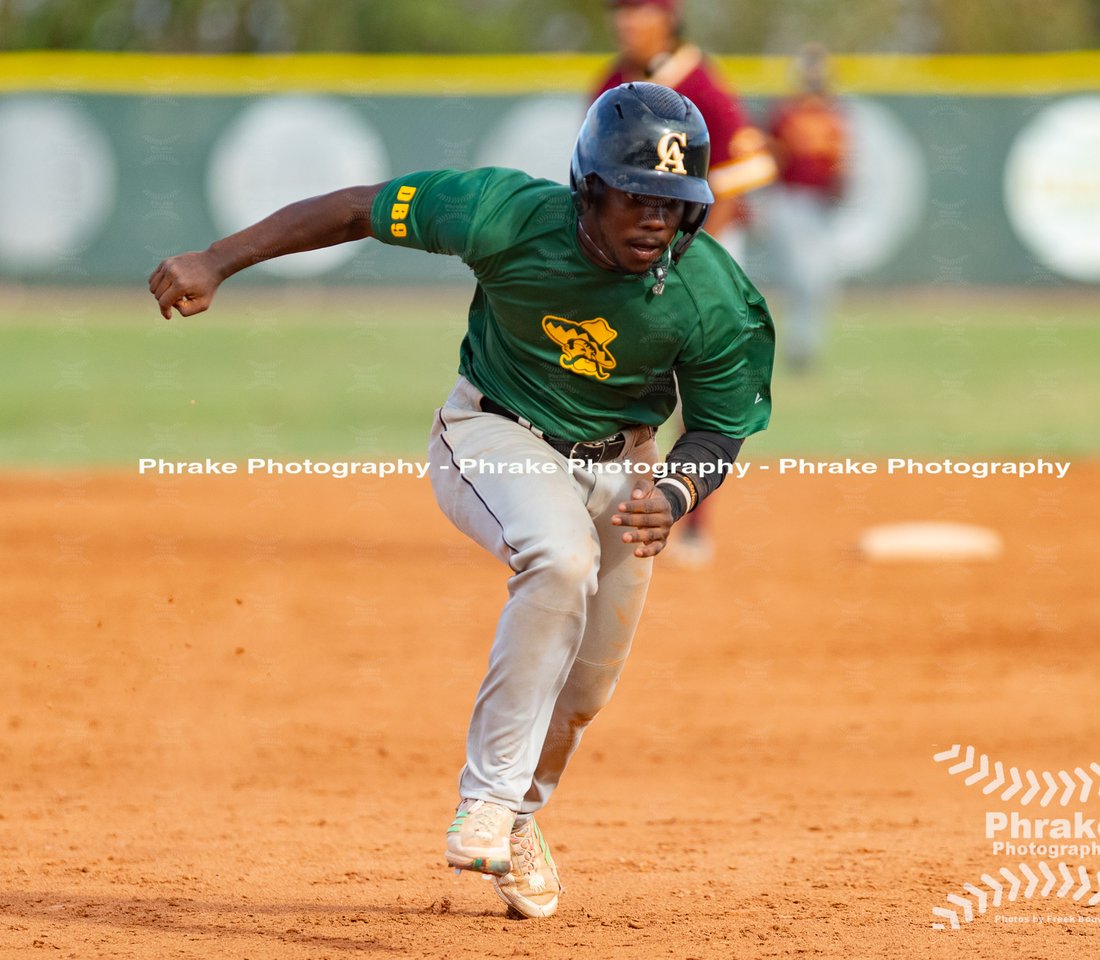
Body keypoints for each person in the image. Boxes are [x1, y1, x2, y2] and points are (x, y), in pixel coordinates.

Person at [148, 82, 774, 920]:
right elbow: (355, 211)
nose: (656, 218)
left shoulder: (714, 295)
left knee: (585, 689)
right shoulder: (504, 215)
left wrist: (674, 487)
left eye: (674, 199)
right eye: (636, 194)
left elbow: (720, 431)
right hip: (494, 434)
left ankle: (517, 817)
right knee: (559, 558)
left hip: (625, 464)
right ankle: (485, 798)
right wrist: (217, 260)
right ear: (588, 187)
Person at [594, 0, 776, 567]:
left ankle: (691, 516)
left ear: (668, 20)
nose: (627, 23)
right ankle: (598, 504)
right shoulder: (612, 80)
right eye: (620, 12)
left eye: (640, 11)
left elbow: (749, 165)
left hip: (700, 243)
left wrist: (693, 248)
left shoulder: (700, 82)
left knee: (696, 382)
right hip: (625, 245)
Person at [764, 43, 848, 369]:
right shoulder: (786, 113)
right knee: (798, 278)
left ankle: (806, 345)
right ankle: (797, 346)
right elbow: (770, 156)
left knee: (819, 279)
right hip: (790, 199)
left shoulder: (834, 115)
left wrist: (842, 186)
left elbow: (841, 164)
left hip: (822, 205)